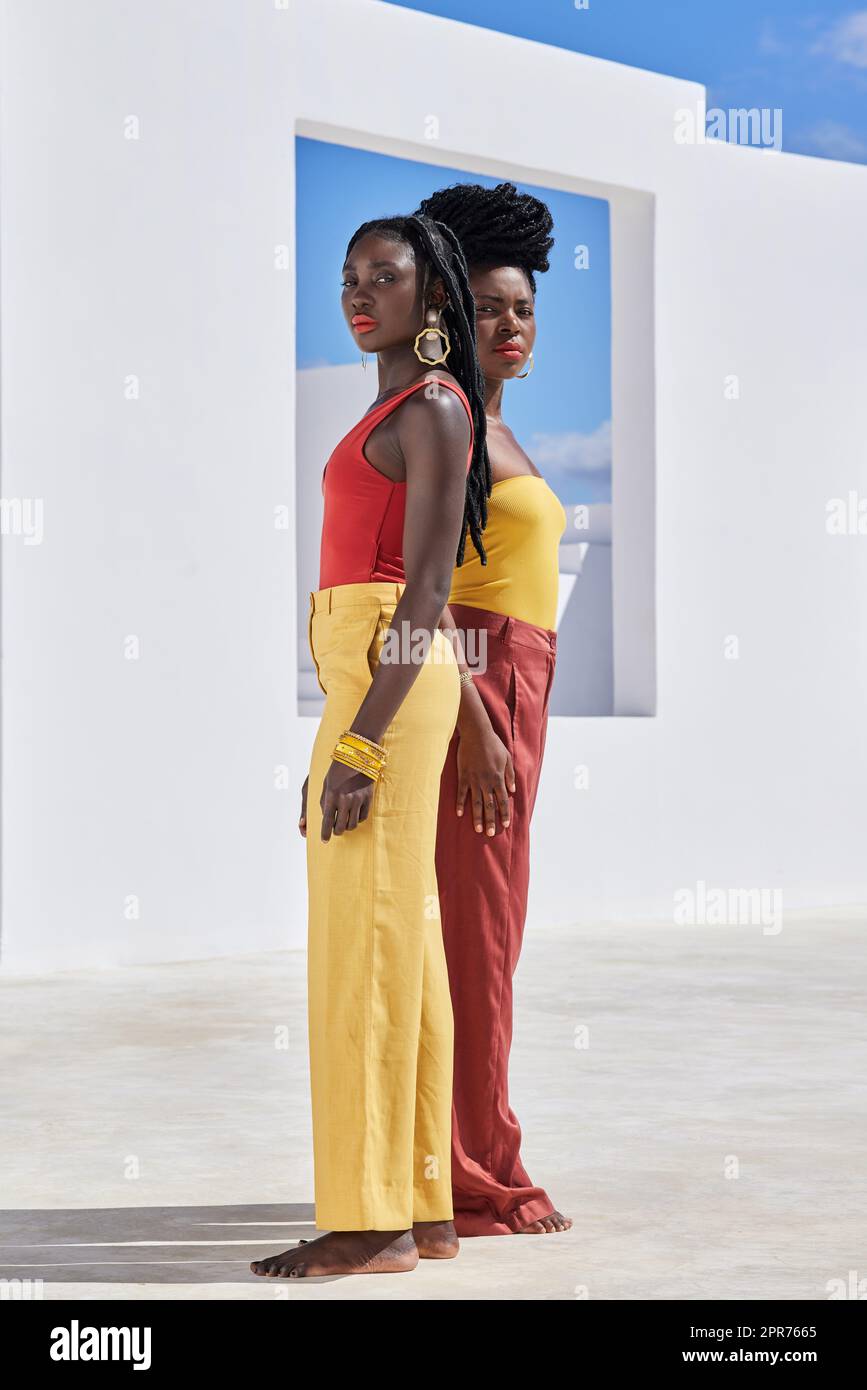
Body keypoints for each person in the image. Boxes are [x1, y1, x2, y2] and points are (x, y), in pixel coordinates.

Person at [251, 212, 490, 1278]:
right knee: (406, 940)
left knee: (365, 948)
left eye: (383, 277)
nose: (358, 294)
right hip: (373, 675)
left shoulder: (435, 407)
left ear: (430, 296)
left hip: (384, 682)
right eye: (348, 277)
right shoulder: (397, 405)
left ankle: (370, 1218)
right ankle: (424, 1205)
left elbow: (430, 592)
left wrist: (360, 747)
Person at [413, 181, 572, 1238]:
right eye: (487, 305)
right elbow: (404, 590)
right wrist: (476, 719)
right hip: (476, 687)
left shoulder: (492, 425)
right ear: (450, 314)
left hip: (519, 685)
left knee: (488, 940)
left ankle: (451, 1154)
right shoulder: (446, 420)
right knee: (473, 940)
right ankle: (479, 1173)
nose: (509, 325)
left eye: (521, 307)